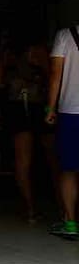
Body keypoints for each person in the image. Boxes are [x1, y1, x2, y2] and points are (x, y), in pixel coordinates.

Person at [0, 39, 55, 223]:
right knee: (44, 160)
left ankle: (35, 209)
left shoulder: (15, 56)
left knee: (34, 161)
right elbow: (54, 78)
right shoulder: (31, 55)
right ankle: (39, 209)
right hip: (32, 108)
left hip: (28, 109)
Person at [47, 25, 79, 239]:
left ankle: (70, 222)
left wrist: (50, 108)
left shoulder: (65, 36)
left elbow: (55, 76)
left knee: (69, 170)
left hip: (70, 111)